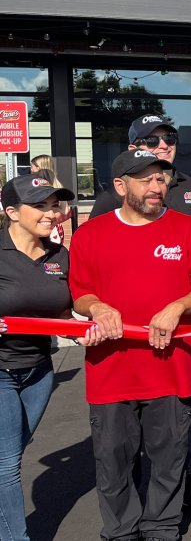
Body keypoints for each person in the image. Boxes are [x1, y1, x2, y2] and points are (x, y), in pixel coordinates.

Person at [69, 150, 191, 541]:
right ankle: (120, 532)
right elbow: (80, 292)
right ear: (120, 186)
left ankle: (162, 530)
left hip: (170, 369)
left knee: (169, 461)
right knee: (113, 463)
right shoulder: (90, 233)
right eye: (146, 180)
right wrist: (97, 306)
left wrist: (179, 305)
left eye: (161, 179)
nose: (157, 187)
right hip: (110, 371)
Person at [0, 174, 73, 541]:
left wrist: (80, 325)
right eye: (40, 205)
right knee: (6, 466)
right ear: (12, 212)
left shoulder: (60, 257)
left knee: (12, 453)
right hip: (0, 372)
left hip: (39, 372)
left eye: (54, 204)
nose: (51, 212)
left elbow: (65, 314)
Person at [89, 114, 191, 221]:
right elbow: (93, 238)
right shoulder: (117, 195)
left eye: (169, 138)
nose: (164, 145)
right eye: (152, 140)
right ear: (133, 149)